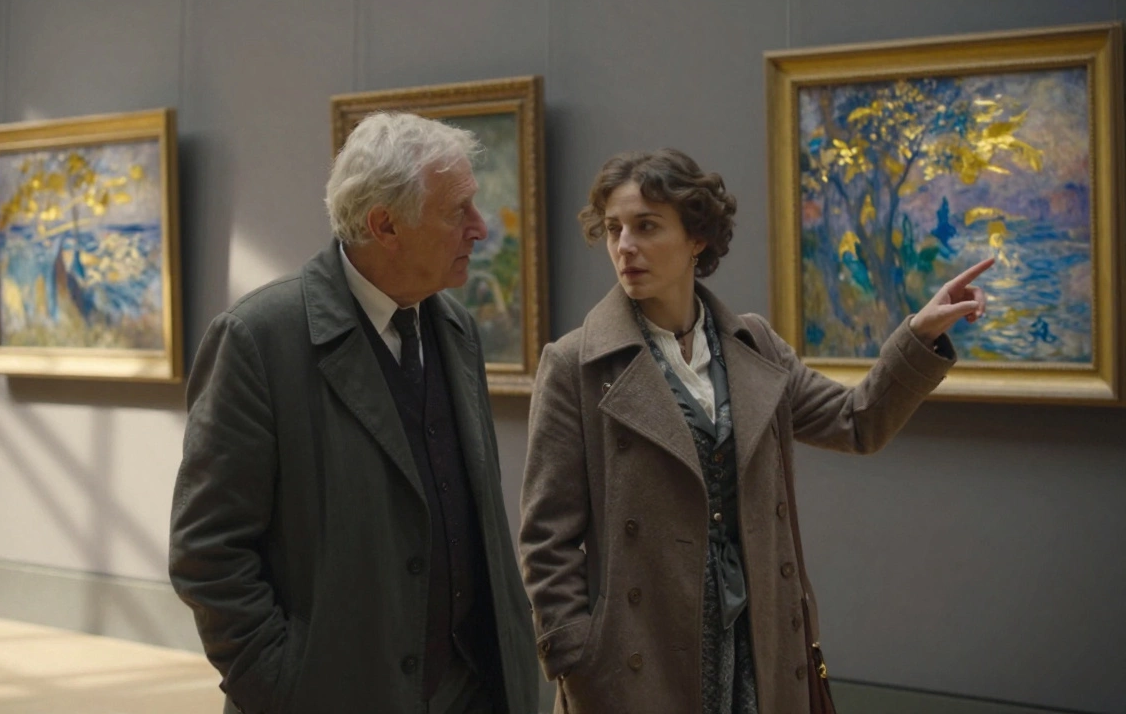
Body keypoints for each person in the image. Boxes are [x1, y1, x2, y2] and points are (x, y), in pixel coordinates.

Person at [517, 148, 992, 714]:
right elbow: (547, 541)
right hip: (637, 665)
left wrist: (918, 332)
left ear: (697, 238)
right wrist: (577, 659)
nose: (624, 246)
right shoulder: (575, 364)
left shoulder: (755, 347)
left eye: (646, 226)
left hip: (757, 647)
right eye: (615, 229)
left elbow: (857, 421)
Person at [170, 112, 538, 714]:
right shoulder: (259, 338)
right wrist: (284, 685)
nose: (479, 229)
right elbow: (207, 551)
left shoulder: (456, 329)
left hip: (475, 691)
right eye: (457, 212)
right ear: (385, 225)